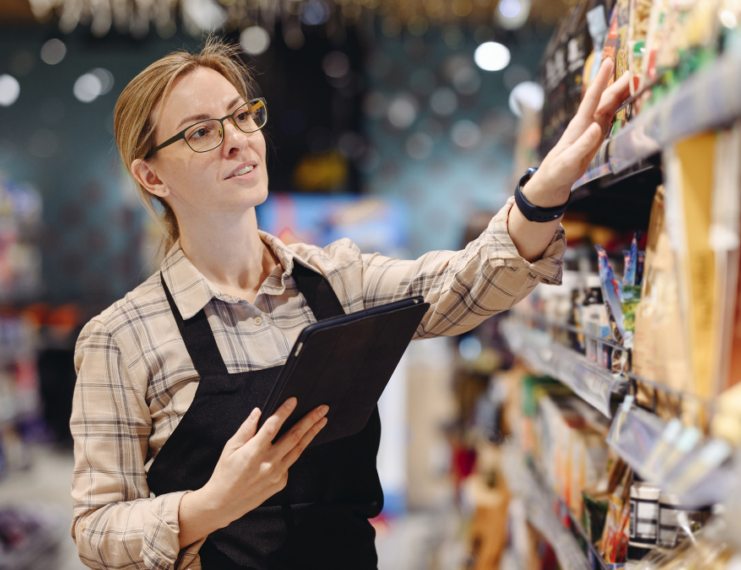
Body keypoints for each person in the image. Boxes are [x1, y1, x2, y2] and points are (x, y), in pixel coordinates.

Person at [70, 37, 630, 570]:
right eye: (200, 132)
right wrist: (212, 504)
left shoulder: (334, 279)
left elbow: (463, 286)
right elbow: (96, 531)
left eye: (241, 116)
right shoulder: (120, 337)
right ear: (151, 175)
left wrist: (545, 192)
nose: (236, 139)